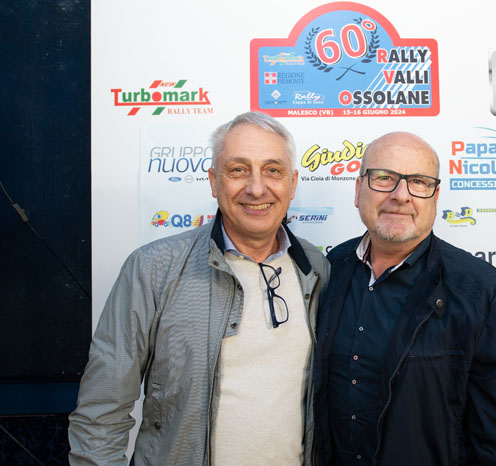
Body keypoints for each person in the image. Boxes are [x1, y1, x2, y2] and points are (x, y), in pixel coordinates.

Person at [68, 112, 330, 465]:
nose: (256, 188)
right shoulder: (153, 268)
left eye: (273, 170)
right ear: (213, 181)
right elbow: (102, 411)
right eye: (238, 170)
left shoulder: (317, 269)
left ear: (292, 183)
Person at [312, 131, 496, 465]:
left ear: (435, 196)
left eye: (418, 182)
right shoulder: (330, 269)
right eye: (384, 178)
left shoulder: (486, 295)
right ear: (358, 190)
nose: (400, 195)